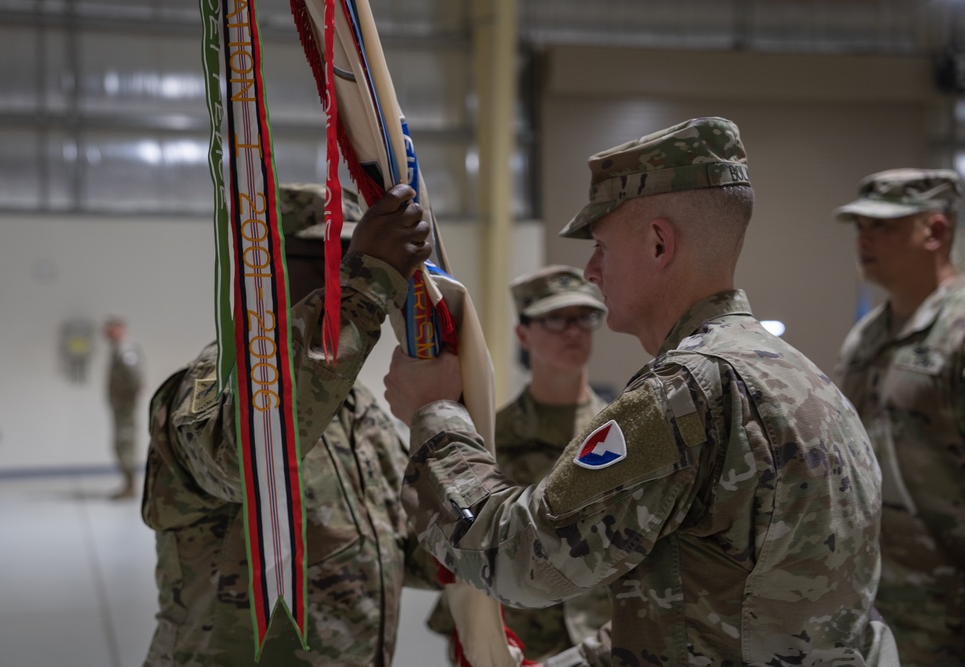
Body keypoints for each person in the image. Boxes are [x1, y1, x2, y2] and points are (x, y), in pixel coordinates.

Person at [385, 117, 900, 666]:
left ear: (658, 243)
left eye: (602, 247)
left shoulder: (690, 391)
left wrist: (434, 414)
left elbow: (523, 559)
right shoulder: (803, 378)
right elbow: (689, 617)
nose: (591, 270)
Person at [141, 183, 436, 666]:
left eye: (350, 257)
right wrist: (371, 280)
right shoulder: (214, 385)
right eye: (323, 256)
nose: (341, 277)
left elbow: (409, 556)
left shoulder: (362, 414)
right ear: (264, 269)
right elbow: (245, 464)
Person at [425, 265, 611, 662]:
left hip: (603, 645)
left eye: (584, 318)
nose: (573, 330)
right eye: (555, 318)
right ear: (523, 333)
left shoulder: (616, 435)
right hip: (516, 645)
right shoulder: (488, 439)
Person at [833, 169, 965, 666]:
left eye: (883, 225)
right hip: (874, 606)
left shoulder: (957, 331)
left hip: (949, 612)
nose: (864, 238)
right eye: (860, 226)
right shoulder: (866, 337)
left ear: (935, 231)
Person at [103, 315, 143, 500]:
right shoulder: (117, 349)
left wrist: (132, 394)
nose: (108, 333)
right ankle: (128, 485)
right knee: (122, 444)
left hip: (126, 407)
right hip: (121, 407)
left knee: (125, 443)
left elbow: (134, 374)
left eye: (112, 329)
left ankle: (130, 487)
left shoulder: (125, 349)